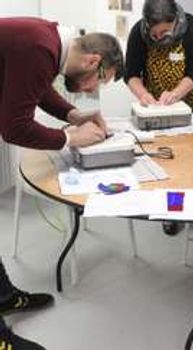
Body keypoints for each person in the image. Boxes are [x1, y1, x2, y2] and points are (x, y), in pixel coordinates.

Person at [0, 17, 124, 349]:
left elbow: (36, 89)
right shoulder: (39, 47)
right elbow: (14, 129)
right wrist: (70, 138)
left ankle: (3, 296)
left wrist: (73, 115)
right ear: (93, 61)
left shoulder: (50, 42)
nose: (92, 91)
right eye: (99, 82)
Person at [124, 0, 193, 235]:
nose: (160, 37)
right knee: (166, 160)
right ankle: (171, 211)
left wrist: (174, 95)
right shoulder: (137, 34)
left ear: (175, 21)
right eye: (155, 33)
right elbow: (130, 74)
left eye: (166, 31)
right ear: (146, 26)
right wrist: (144, 96)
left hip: (192, 105)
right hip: (156, 111)